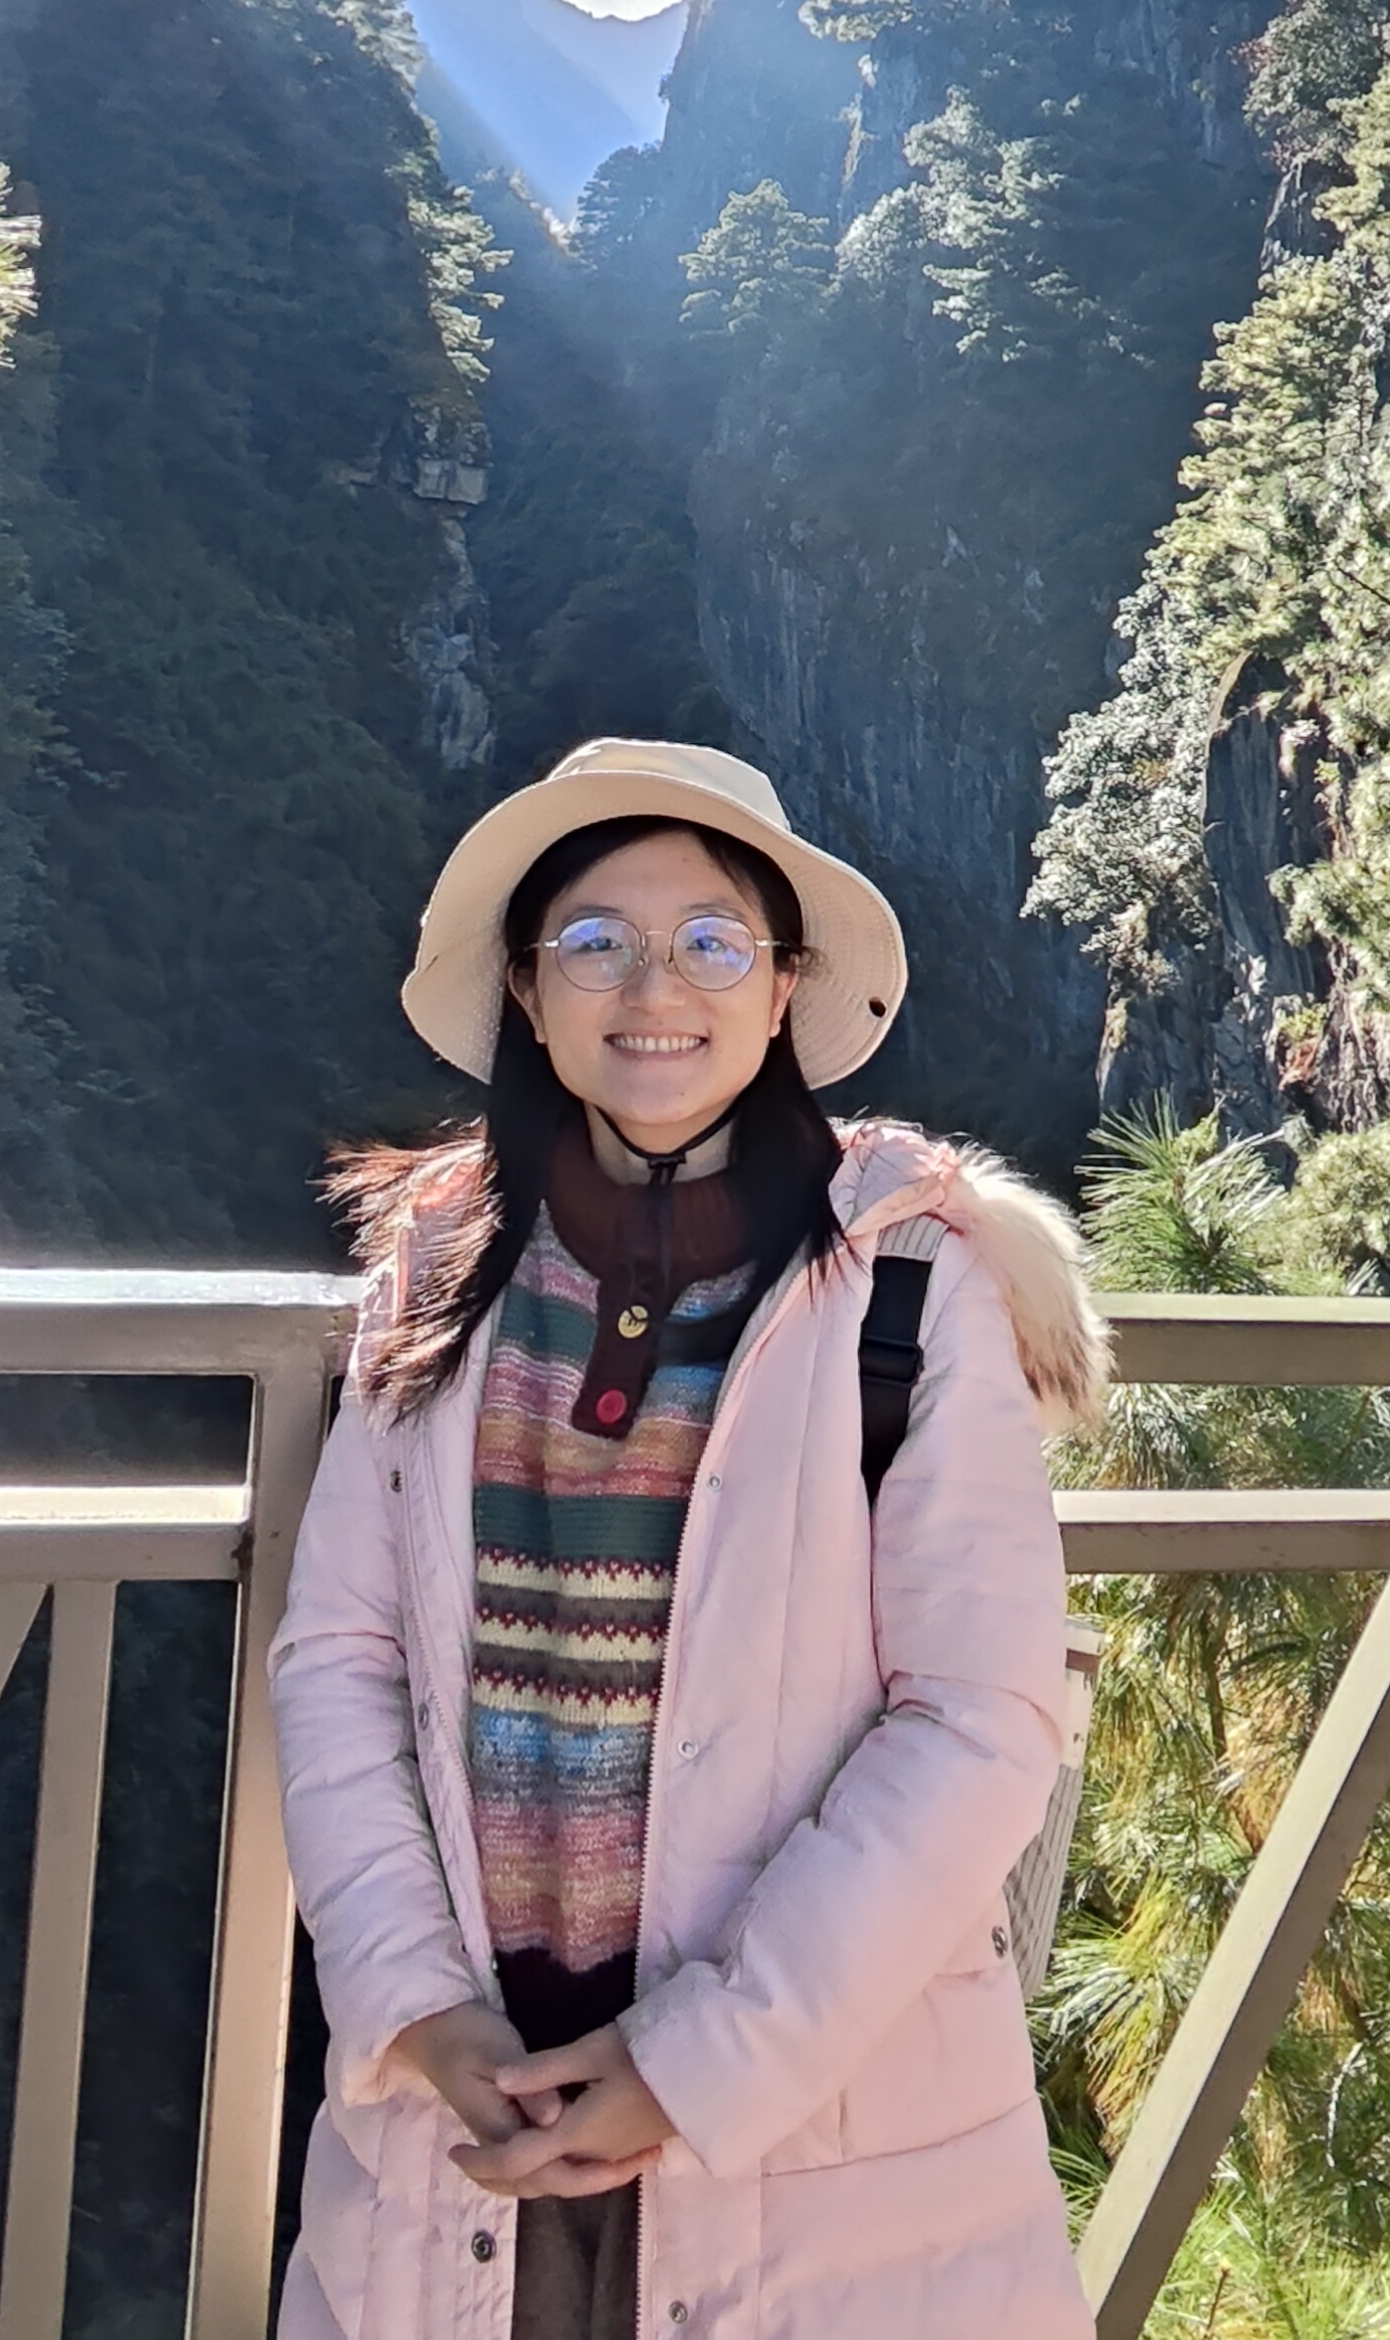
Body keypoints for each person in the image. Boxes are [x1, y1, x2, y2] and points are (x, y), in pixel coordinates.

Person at [269, 738, 1106, 2340]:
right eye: (594, 941)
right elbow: (341, 1660)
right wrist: (414, 2003)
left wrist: (696, 2062)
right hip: (472, 2125)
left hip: (818, 2141)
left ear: (784, 986)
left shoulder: (907, 1286)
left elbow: (977, 1717)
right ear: (528, 991)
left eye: (713, 940)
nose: (655, 986)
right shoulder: (440, 1277)